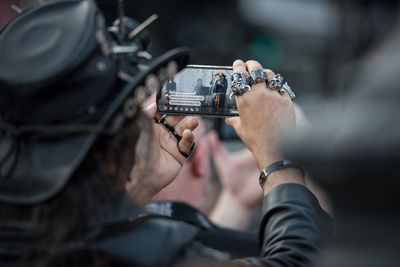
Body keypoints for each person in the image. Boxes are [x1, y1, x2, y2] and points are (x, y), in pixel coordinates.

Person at [0, 1, 333, 266]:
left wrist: (134, 189)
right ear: (112, 156)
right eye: (129, 116)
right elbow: (300, 260)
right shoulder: (145, 252)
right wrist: (279, 159)